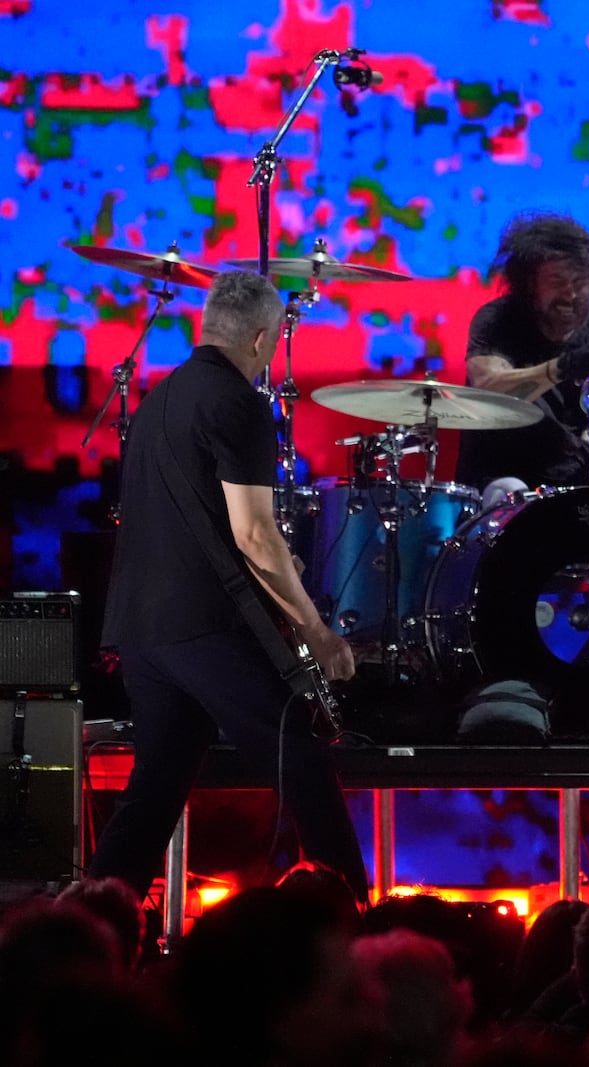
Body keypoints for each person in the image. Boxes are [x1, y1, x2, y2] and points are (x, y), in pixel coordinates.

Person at [90, 270, 369, 903]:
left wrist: (272, 563)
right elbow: (254, 534)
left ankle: (91, 926)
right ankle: (354, 920)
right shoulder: (239, 403)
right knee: (300, 757)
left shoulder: (161, 398)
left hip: (140, 628)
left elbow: (202, 521)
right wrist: (317, 633)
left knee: (154, 791)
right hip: (202, 625)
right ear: (264, 338)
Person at [455, 212, 589, 496]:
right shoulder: (498, 320)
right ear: (530, 283)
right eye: (557, 280)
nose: (571, 294)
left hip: (587, 483)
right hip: (508, 482)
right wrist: (559, 368)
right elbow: (488, 391)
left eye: (581, 281)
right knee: (511, 492)